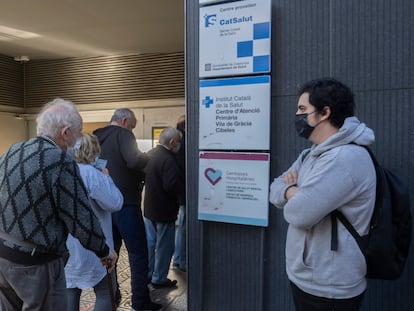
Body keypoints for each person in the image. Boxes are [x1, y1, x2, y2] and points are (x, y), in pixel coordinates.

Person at [269, 78, 376, 311]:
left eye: (302, 109)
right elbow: (274, 188)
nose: (297, 116)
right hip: (307, 277)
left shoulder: (345, 159)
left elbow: (299, 214)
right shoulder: (310, 154)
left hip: (330, 287)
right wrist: (291, 190)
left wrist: (294, 194)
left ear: (325, 112)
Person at [0, 98, 117, 311]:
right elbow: (80, 217)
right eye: (78, 132)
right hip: (36, 264)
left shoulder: (11, 151)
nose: (79, 139)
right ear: (65, 132)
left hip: (4, 257)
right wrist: (104, 251)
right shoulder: (60, 161)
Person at [93, 108, 162, 311]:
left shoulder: (97, 135)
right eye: (132, 125)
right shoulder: (123, 134)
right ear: (124, 121)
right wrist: (147, 157)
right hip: (126, 204)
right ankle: (140, 301)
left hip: (103, 206)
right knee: (138, 253)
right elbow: (133, 160)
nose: (131, 129)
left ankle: (111, 296)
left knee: (109, 253)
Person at [65, 133, 123, 311]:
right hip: (96, 244)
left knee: (70, 291)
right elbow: (115, 203)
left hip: (67, 245)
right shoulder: (93, 174)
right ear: (93, 150)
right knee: (105, 292)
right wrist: (106, 177)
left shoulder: (63, 171)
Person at [144, 127, 184, 288]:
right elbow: (171, 185)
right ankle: (159, 278)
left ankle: (148, 273)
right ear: (172, 142)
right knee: (164, 246)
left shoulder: (150, 154)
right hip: (165, 210)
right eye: (178, 142)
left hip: (149, 207)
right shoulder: (169, 159)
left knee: (151, 244)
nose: (179, 145)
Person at [172, 115, 187, 272]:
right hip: (184, 193)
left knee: (181, 226)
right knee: (183, 226)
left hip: (180, 193)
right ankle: (180, 259)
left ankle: (178, 258)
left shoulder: (178, 143)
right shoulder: (182, 144)